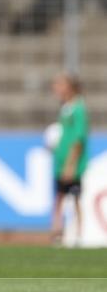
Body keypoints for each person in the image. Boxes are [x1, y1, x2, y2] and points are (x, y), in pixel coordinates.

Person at [49, 73, 90, 245]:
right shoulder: (65, 108)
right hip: (60, 162)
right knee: (59, 197)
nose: (55, 88)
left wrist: (70, 164)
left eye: (59, 84)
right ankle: (57, 234)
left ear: (69, 87)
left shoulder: (79, 108)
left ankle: (79, 235)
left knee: (74, 198)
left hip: (71, 164)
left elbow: (79, 139)